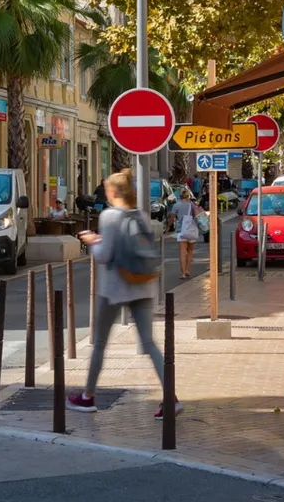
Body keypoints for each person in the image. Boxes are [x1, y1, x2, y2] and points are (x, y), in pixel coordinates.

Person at [67, 170, 172, 417]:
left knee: (99, 343)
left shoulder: (109, 216)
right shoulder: (142, 216)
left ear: (113, 192)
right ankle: (171, 398)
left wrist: (92, 241)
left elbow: (105, 255)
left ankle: (88, 397)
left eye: (106, 190)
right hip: (143, 285)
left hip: (114, 288)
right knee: (149, 344)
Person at [168, 189, 202, 279]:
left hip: (181, 231)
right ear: (189, 196)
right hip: (192, 230)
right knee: (190, 251)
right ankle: (187, 270)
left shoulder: (176, 205)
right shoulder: (193, 204)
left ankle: (183, 273)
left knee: (182, 253)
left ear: (180, 196)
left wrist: (168, 227)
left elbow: (172, 218)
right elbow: (198, 216)